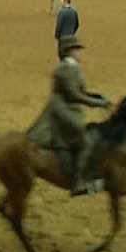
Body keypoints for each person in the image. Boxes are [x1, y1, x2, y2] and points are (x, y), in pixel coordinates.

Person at [27, 36, 111, 196]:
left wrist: (98, 97)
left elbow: (79, 92)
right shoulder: (65, 70)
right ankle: (78, 182)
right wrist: (97, 103)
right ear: (69, 52)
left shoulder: (73, 68)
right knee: (84, 140)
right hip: (62, 111)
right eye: (77, 50)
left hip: (68, 108)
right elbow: (74, 95)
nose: (80, 53)